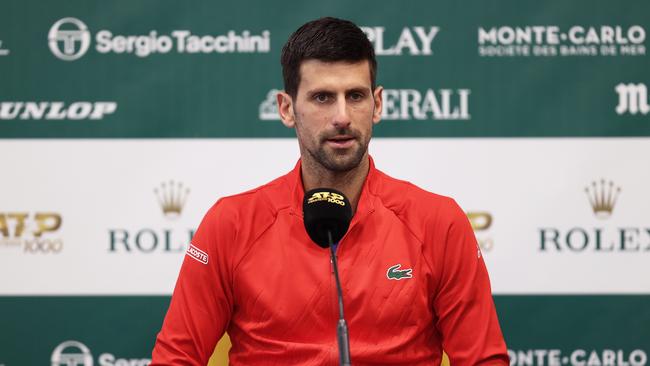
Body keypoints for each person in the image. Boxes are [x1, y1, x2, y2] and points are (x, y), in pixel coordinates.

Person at [151, 17, 508, 365]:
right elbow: (175, 359)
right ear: (286, 108)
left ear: (377, 104)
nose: (342, 116)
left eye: (355, 96)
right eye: (322, 97)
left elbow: (483, 359)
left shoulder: (438, 222)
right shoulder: (231, 224)